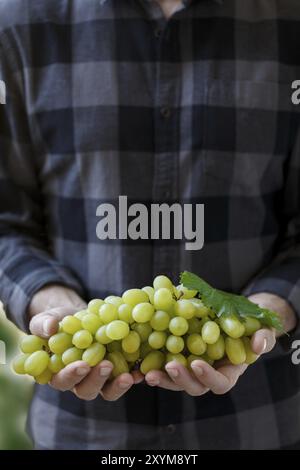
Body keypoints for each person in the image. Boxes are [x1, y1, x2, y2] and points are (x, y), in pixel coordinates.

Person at [0, 0, 300, 450]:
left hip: (260, 424)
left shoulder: (289, 21)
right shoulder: (20, 21)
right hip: (82, 433)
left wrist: (266, 312)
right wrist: (46, 298)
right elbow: (6, 222)